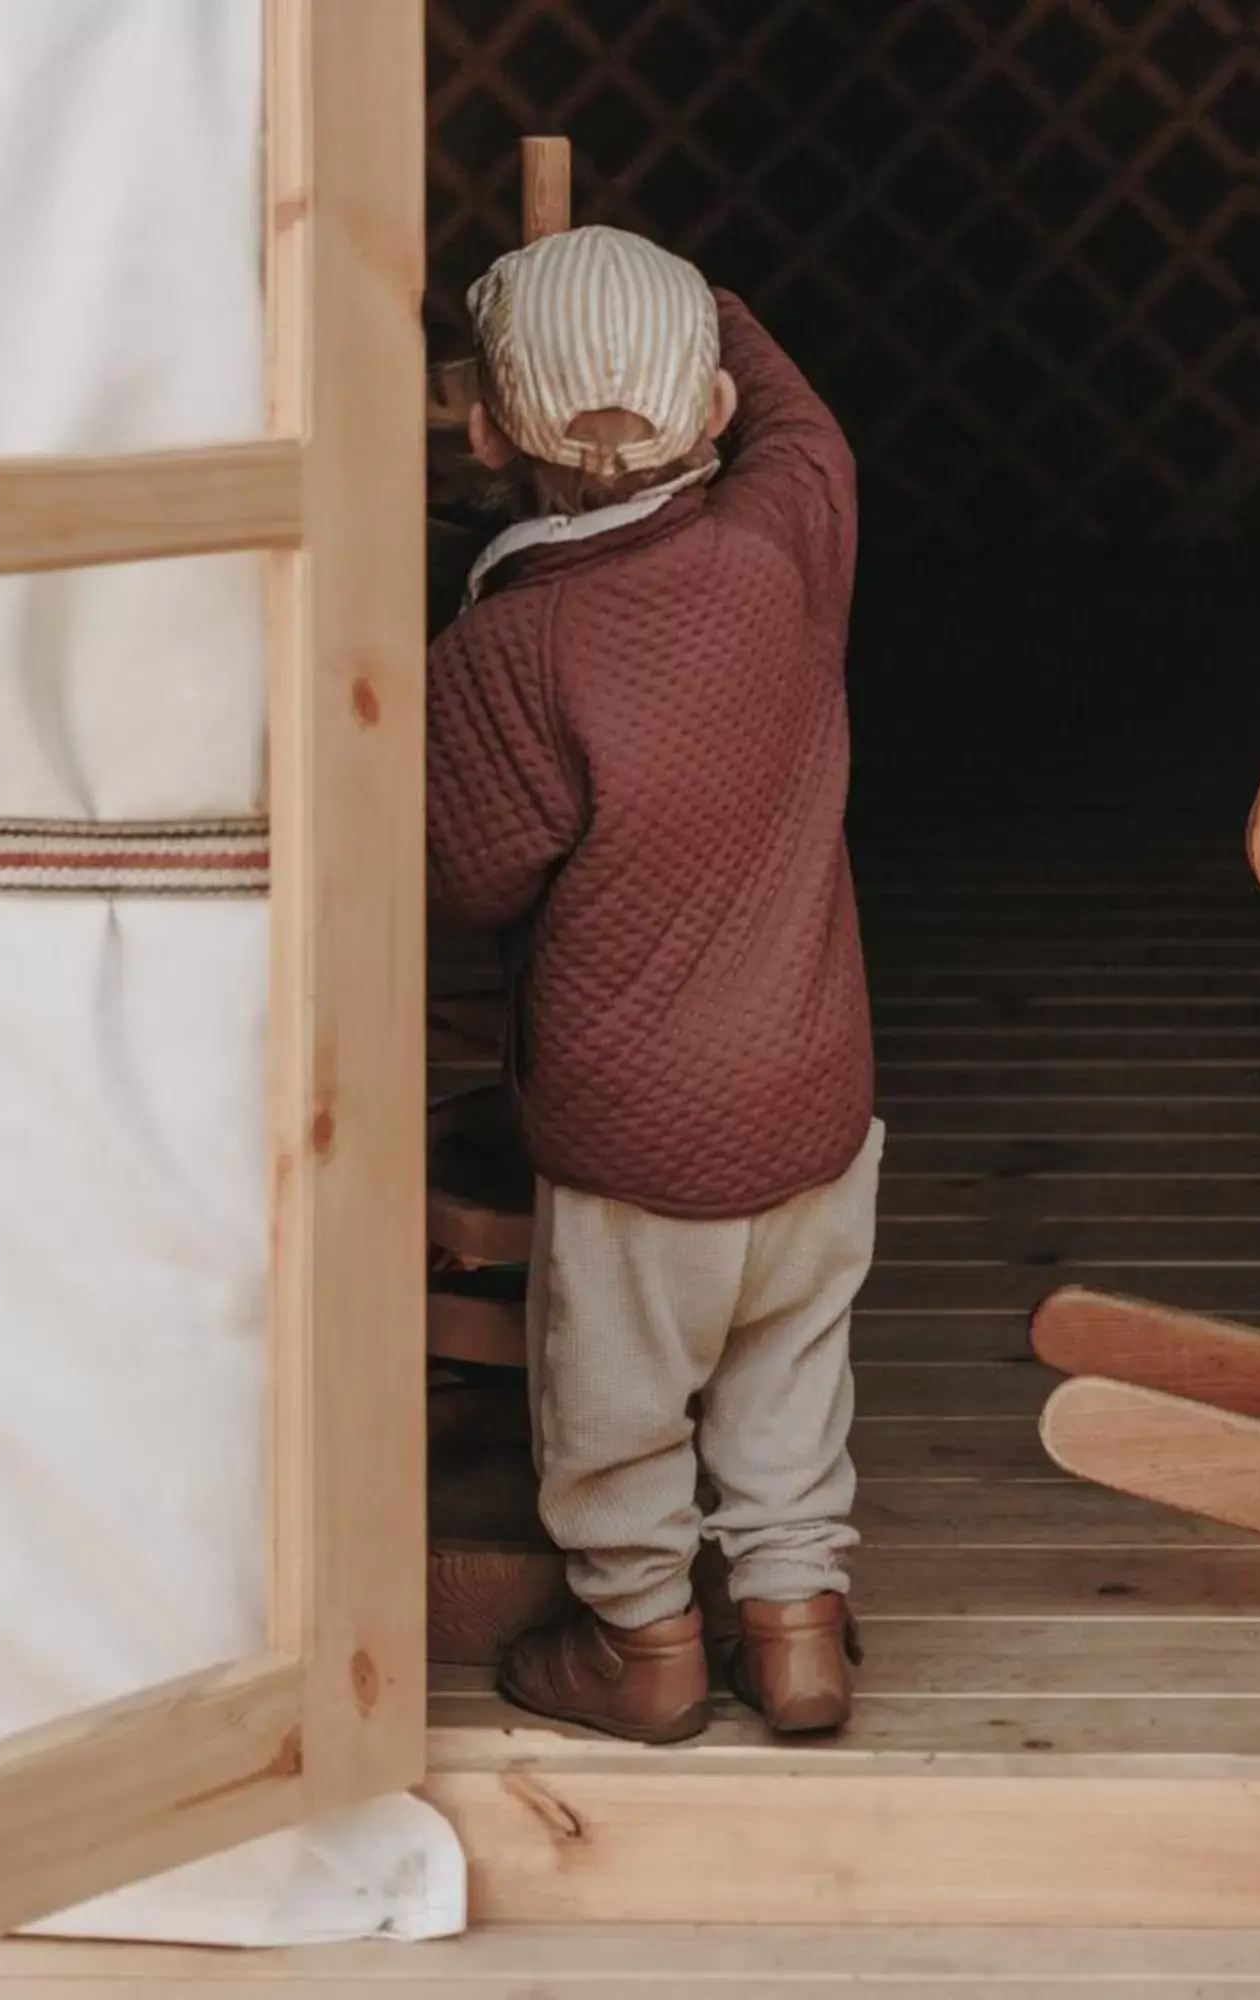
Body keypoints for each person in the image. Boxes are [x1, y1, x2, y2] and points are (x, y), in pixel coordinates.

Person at [428, 225, 874, 1743]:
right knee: (789, 1360)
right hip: (820, 1093)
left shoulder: (510, 647)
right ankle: (797, 1623)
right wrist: (699, 311)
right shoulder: (786, 537)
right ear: (715, 412)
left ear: (485, 428)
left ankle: (645, 1642)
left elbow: (463, 879)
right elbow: (800, 412)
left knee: (615, 1402)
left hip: (635, 1131)